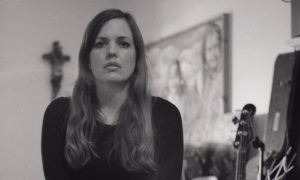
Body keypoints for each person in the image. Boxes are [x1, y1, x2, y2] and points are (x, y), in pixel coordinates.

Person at [41, 9, 183, 180]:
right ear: (88, 60)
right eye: (100, 44)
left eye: (123, 44)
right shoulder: (60, 114)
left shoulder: (164, 115)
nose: (111, 52)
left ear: (137, 58)